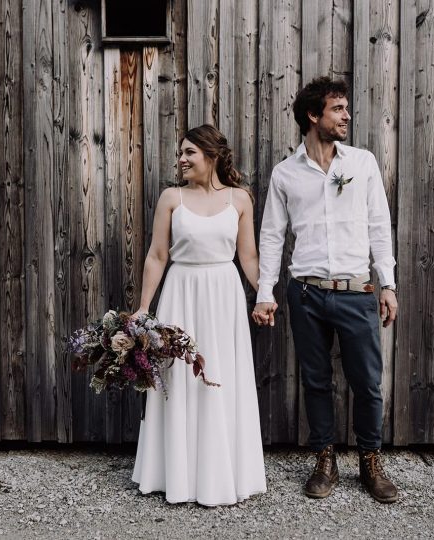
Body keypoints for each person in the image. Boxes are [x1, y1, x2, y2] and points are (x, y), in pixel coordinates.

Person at [253, 76, 399, 503]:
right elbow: (272, 237)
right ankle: (325, 458)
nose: (347, 116)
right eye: (338, 109)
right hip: (306, 293)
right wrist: (266, 291)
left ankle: (371, 459)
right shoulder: (286, 174)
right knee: (316, 381)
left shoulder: (362, 163)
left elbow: (379, 227)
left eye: (346, 109)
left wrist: (387, 284)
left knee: (368, 382)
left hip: (356, 291)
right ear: (313, 116)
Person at [131, 124, 269, 506]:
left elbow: (249, 257)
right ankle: (174, 473)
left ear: (211, 155)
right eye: (181, 152)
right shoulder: (171, 198)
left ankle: (223, 473)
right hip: (181, 292)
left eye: (189, 152)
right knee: (179, 379)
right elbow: (158, 255)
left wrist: (265, 295)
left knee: (221, 375)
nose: (182, 159)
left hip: (223, 295)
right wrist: (144, 308)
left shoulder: (239, 200)